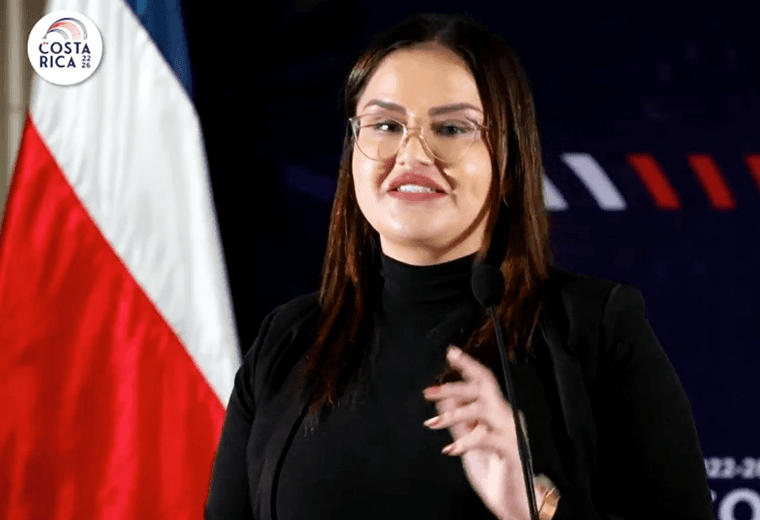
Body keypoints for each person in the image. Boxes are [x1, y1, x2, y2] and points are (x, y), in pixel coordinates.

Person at [205, 12, 714, 520]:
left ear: (509, 161)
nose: (412, 154)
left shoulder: (595, 330)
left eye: (451, 128)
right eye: (386, 125)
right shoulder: (288, 341)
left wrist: (534, 505)